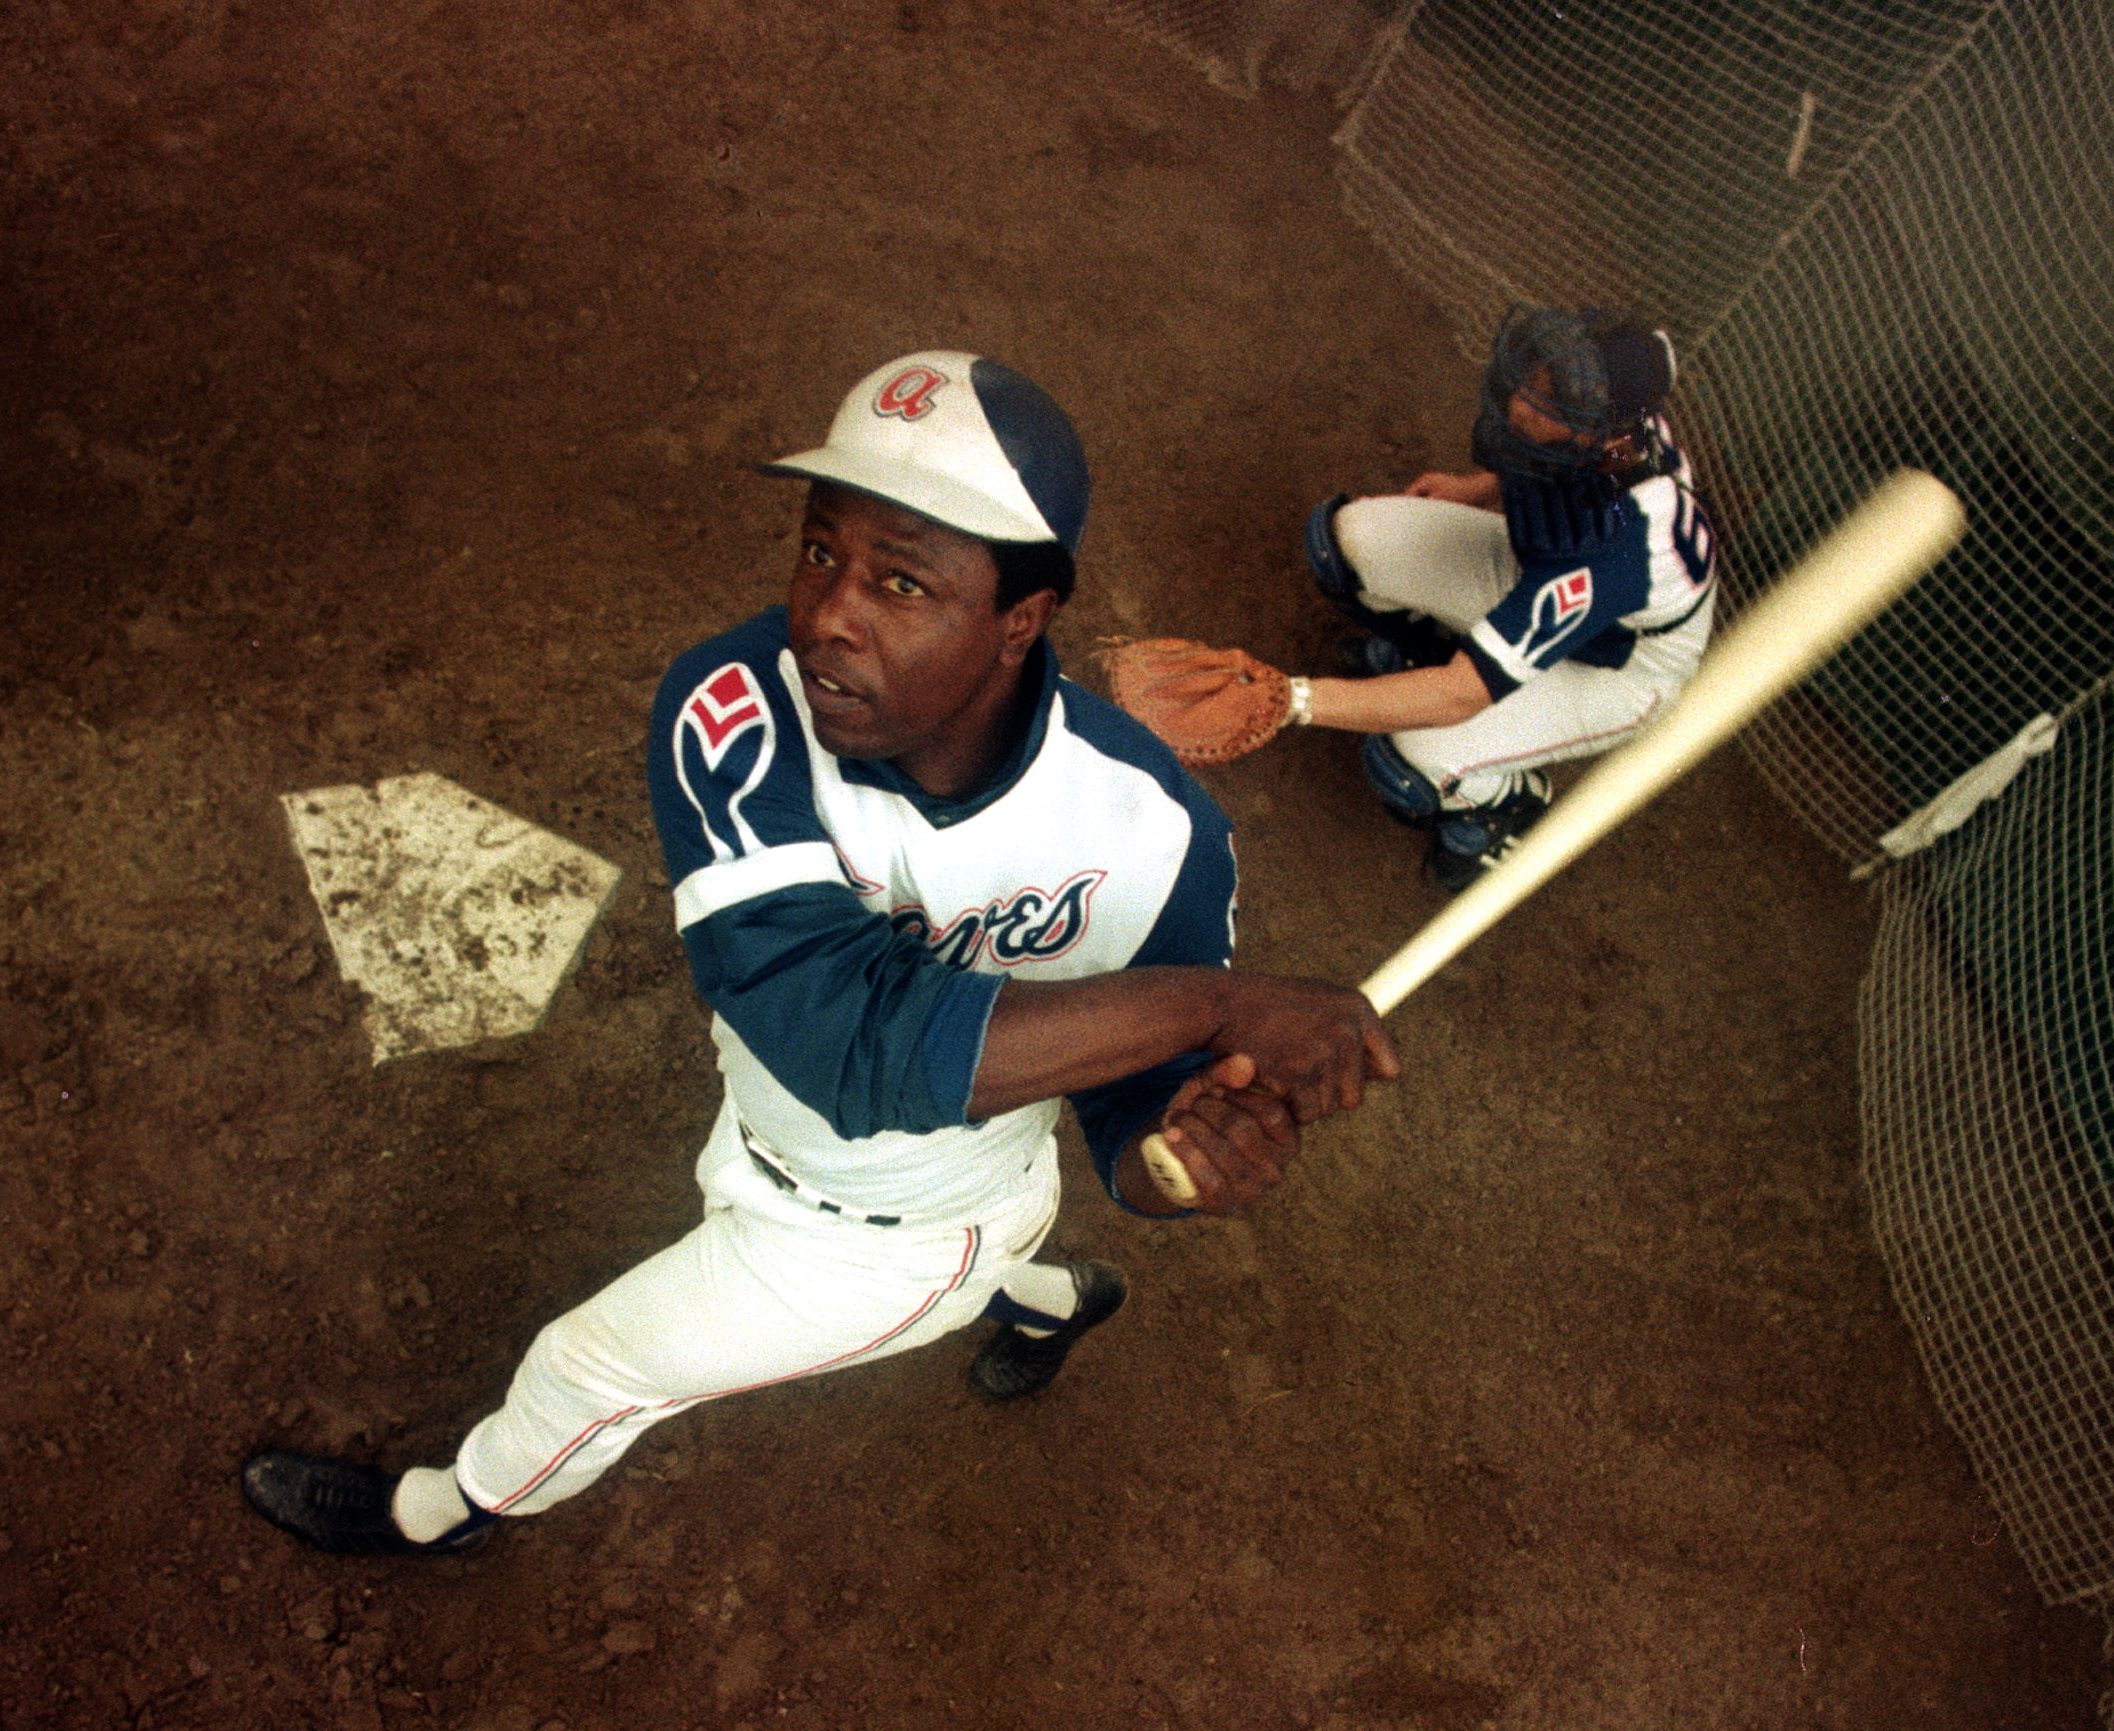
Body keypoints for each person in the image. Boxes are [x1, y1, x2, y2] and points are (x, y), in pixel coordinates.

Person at [242, 351, 1396, 1557]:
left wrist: (1179, 1158)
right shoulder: (740, 701)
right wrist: (1214, 1009)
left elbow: (1138, 1126)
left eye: (903, 581)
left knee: (588, 1363)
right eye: (819, 552)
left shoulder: (1157, 829)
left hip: (881, 1245)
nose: (829, 616)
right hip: (801, 1139)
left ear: (1022, 620)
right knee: (956, 1236)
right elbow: (842, 1039)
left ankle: (441, 1511)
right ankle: (1057, 1302)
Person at [1290, 305, 1717, 890]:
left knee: (1408, 760)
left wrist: (1293, 701)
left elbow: (1456, 696)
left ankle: (1504, 802)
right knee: (1345, 543)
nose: (1521, 403)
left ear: (1606, 425)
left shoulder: (1618, 544)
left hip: (1617, 671)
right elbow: (1557, 464)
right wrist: (1476, 489)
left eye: (1549, 401)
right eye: (1533, 381)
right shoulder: (1618, 436)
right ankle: (1436, 654)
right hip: (1549, 583)